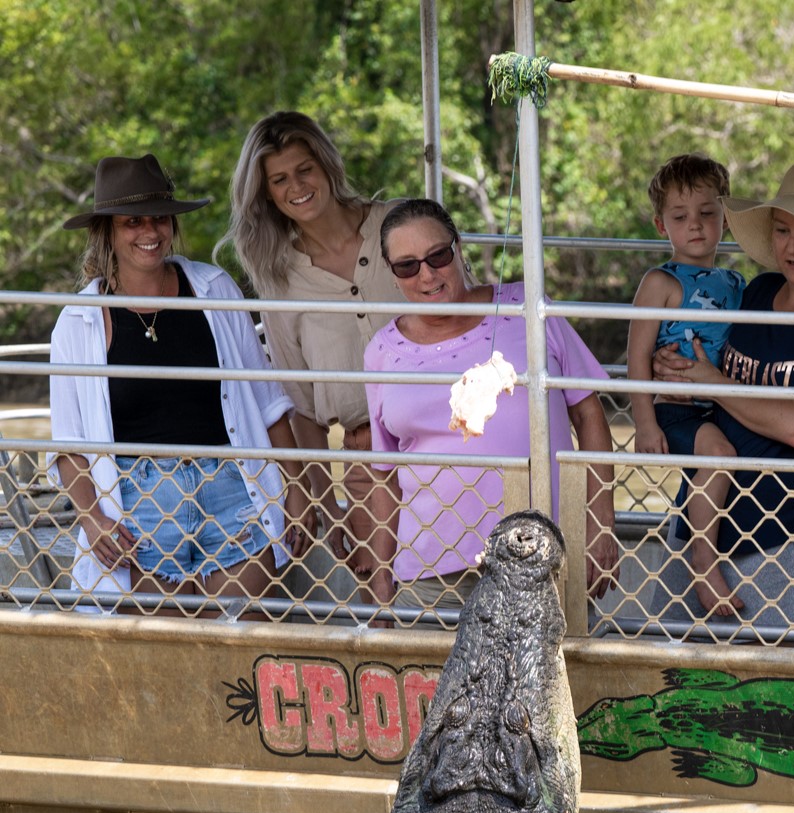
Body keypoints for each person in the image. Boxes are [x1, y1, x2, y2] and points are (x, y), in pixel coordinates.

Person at [49, 154, 311, 613]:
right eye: (133, 222)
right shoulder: (79, 321)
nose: (150, 233)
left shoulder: (214, 289)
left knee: (229, 645)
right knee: (163, 652)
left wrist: (296, 487)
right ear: (107, 230)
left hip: (233, 490)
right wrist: (92, 520)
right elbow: (69, 446)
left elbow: (268, 403)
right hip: (138, 503)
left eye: (160, 219)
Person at [651, 160, 794, 632]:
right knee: (664, 682)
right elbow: (704, 360)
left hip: (780, 535)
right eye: (781, 230)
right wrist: (673, 365)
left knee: (770, 694)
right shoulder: (758, 292)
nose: (791, 247)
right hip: (699, 518)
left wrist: (712, 382)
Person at [360, 198, 618, 619]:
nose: (426, 275)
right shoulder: (381, 353)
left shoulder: (530, 311)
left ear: (458, 248)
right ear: (392, 273)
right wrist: (381, 570)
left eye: (437, 256)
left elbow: (590, 415)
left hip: (537, 559)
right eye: (407, 266)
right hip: (428, 572)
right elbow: (386, 474)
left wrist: (600, 523)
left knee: (543, 686)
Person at [217, 112, 407, 597]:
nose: (296, 186)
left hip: (450, 446)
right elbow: (301, 405)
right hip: (367, 460)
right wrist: (325, 500)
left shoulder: (399, 224)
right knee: (384, 608)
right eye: (279, 179)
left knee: (466, 597)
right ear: (266, 194)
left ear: (326, 165)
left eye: (304, 169)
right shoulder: (278, 277)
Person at [627, 153, 747, 617]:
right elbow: (638, 354)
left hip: (722, 403)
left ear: (726, 219)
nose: (695, 226)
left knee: (726, 458)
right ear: (662, 225)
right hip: (677, 406)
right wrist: (644, 421)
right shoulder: (661, 282)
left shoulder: (737, 283)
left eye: (707, 214)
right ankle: (703, 559)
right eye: (681, 217)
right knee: (719, 458)